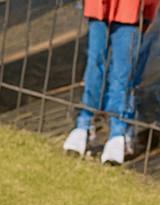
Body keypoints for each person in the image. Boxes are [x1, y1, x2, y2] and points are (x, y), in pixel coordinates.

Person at [61, 0, 157, 164]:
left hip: (130, 7)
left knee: (123, 69)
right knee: (94, 61)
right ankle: (84, 123)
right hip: (99, 6)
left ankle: (117, 132)